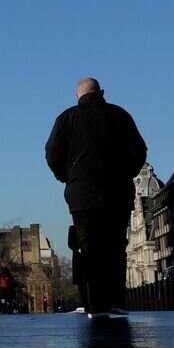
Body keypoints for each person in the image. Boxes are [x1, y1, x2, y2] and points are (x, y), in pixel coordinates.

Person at [45, 77, 147, 319]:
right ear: (101, 92)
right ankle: (117, 301)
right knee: (116, 246)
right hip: (117, 192)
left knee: (89, 247)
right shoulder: (120, 116)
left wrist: (67, 177)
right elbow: (139, 151)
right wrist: (125, 174)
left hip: (82, 196)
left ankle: (96, 304)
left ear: (77, 96)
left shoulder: (66, 119)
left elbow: (52, 154)